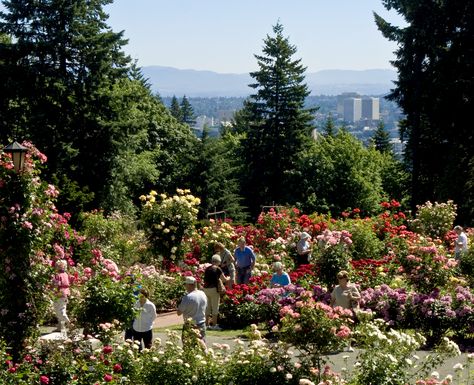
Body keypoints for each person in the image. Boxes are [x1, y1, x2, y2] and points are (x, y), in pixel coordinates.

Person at [330, 270, 360, 352]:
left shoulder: (352, 287)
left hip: (348, 311)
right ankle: (337, 346)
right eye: (338, 279)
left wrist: (352, 297)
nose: (339, 281)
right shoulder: (336, 288)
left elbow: (359, 298)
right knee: (337, 328)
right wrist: (330, 308)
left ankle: (349, 346)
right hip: (338, 311)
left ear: (346, 279)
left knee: (348, 329)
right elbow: (332, 299)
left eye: (341, 279)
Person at [177, 276, 208, 342]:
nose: (185, 286)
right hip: (202, 323)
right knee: (202, 347)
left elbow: (179, 313)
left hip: (190, 325)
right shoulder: (203, 294)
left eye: (186, 285)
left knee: (187, 347)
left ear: (189, 285)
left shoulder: (187, 297)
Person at [203, 254, 228, 330]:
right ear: (218, 262)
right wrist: (228, 278)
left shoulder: (207, 269)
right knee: (215, 307)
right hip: (214, 289)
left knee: (207, 307)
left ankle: (206, 325)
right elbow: (224, 279)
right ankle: (214, 325)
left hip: (206, 289)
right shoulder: (218, 269)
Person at [52, 259, 71, 332]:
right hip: (65, 294)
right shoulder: (66, 274)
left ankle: (70, 324)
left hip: (59, 294)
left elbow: (57, 284)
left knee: (60, 311)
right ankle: (60, 327)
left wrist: (52, 285)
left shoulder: (58, 275)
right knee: (60, 310)